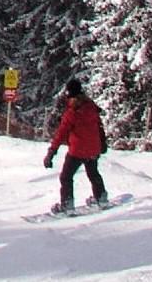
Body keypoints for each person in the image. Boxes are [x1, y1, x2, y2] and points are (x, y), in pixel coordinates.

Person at [43, 77, 109, 213]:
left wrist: (51, 153)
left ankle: (67, 205)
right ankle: (101, 199)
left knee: (66, 177)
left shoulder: (72, 113)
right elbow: (99, 127)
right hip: (93, 149)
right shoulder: (91, 107)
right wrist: (102, 143)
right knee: (93, 174)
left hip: (77, 151)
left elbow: (60, 135)